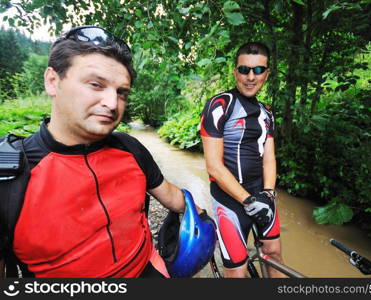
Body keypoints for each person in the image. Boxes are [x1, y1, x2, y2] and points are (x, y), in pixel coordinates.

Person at [0, 25, 203, 278]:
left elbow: (173, 197)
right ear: (52, 81)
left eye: (121, 92)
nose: (112, 103)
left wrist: (201, 220)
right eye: (96, 84)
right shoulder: (10, 175)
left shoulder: (130, 148)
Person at [200, 42, 286, 278]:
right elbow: (213, 167)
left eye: (258, 70)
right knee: (237, 272)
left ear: (267, 73)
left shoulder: (267, 112)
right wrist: (248, 201)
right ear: (235, 71)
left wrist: (268, 193)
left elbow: (269, 157)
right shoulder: (220, 105)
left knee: (274, 255)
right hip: (230, 201)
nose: (251, 77)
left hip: (261, 194)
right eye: (244, 69)